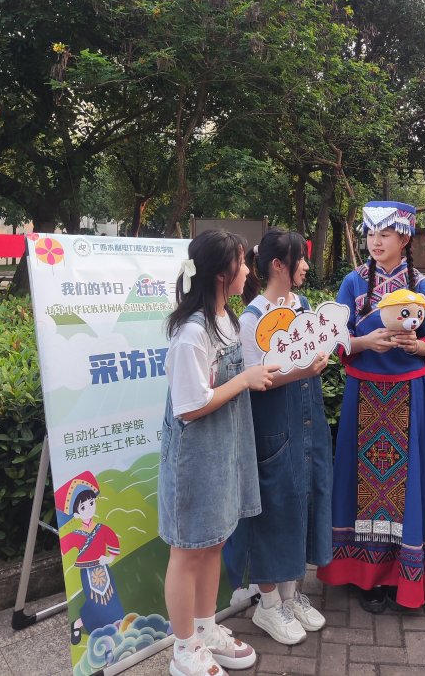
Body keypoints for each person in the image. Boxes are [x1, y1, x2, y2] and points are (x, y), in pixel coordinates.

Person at [317, 200, 425, 614]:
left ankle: (402, 575)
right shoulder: (353, 283)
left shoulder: (423, 287)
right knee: (363, 486)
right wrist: (363, 342)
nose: (375, 242)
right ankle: (366, 575)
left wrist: (417, 346)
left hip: (408, 394)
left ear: (404, 238)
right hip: (364, 393)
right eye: (371, 234)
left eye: (385, 234)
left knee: (408, 485)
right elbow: (334, 338)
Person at [158, 230, 280, 676]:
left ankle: (206, 629)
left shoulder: (225, 318)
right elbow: (190, 407)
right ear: (221, 274)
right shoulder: (192, 332)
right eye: (242, 263)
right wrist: (244, 380)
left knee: (213, 543)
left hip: (222, 449)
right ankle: (184, 648)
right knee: (187, 551)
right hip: (195, 456)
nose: (248, 269)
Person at [223, 229, 333, 646]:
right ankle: (268, 604)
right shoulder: (251, 319)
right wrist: (304, 370)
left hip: (306, 421)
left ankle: (291, 594)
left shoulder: (300, 306)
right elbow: (258, 380)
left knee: (303, 502)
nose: (305, 265)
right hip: (272, 428)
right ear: (277, 266)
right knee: (272, 511)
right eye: (299, 259)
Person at [55, 471, 125, 645]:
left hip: (103, 568)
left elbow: (113, 545)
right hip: (87, 572)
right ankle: (79, 624)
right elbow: (64, 548)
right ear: (76, 514)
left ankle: (118, 627)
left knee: (112, 597)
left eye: (91, 503)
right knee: (95, 601)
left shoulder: (102, 529)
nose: (89, 508)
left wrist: (108, 559)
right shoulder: (76, 534)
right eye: (83, 507)